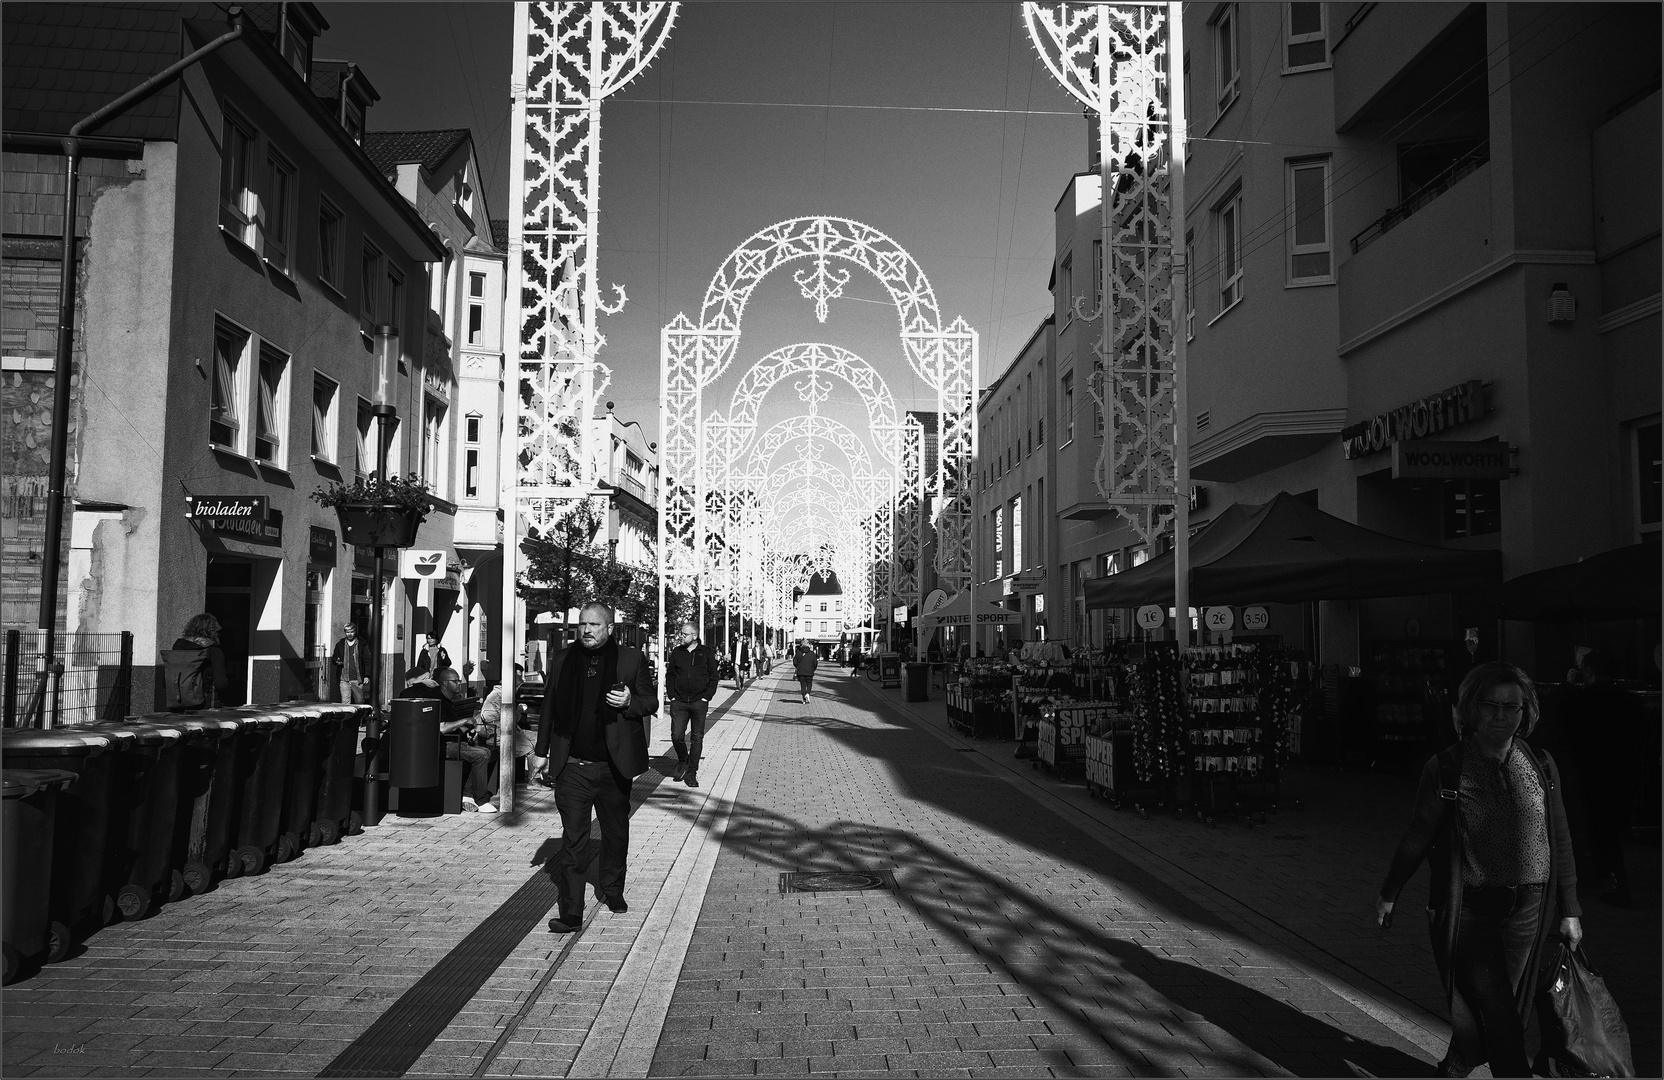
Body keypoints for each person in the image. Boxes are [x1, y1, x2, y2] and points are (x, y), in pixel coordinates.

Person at [1376, 661, 1582, 1078]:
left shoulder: (1540, 764)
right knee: (1497, 1005)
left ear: (1526, 713)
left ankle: (1453, 1066)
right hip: (1472, 907)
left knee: (1500, 1002)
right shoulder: (1447, 767)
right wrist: (1389, 893)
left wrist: (1570, 908)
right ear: (1470, 709)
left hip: (1530, 904)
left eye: (1512, 706)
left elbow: (1558, 835)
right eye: (1490, 705)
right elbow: (1417, 835)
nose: (1501, 715)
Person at [530, 602, 658, 933]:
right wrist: (541, 752)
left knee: (615, 833)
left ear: (609, 629)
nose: (587, 630)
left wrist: (630, 702)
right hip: (572, 765)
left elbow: (651, 701)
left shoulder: (630, 659)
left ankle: (612, 890)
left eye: (594, 625)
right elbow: (548, 709)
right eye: (583, 624)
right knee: (574, 838)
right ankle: (572, 910)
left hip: (613, 766)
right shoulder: (562, 659)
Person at [1561, 648, 1644, 907]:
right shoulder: (1631, 701)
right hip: (1626, 771)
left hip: (1592, 772)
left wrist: (1568, 686)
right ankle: (1611, 877)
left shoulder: (1583, 700)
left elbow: (1567, 728)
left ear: (1588, 671)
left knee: (1597, 828)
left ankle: (1614, 883)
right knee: (1614, 827)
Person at [403, 666, 496, 813]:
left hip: (450, 741)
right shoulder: (437, 700)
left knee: (484, 751)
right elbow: (442, 727)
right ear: (445, 683)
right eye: (455, 681)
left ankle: (467, 795)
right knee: (481, 755)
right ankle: (481, 800)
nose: (459, 684)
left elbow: (453, 724)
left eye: (459, 681)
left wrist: (468, 731)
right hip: (437, 744)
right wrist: (465, 721)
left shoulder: (448, 700)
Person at [665, 621, 720, 788]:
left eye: (684, 634)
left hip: (698, 701)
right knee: (677, 736)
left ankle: (691, 772)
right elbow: (671, 675)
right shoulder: (677, 652)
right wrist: (672, 695)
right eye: (681, 633)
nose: (681, 637)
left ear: (694, 636)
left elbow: (713, 676)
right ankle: (683, 760)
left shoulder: (706, 653)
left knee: (697, 738)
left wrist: (706, 697)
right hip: (679, 701)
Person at [163, 613, 231, 711]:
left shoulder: (178, 647)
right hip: (205, 708)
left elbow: (165, 681)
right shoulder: (214, 651)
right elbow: (221, 684)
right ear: (213, 631)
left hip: (178, 706)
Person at [331, 622, 371, 705]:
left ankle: (359, 718)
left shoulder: (362, 644)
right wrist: (336, 661)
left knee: (359, 702)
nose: (349, 634)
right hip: (344, 679)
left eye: (351, 632)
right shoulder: (340, 644)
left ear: (355, 631)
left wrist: (367, 675)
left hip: (357, 679)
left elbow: (367, 660)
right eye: (347, 632)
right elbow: (334, 658)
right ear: (345, 632)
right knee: (345, 702)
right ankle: (347, 718)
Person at [793, 640, 818, 704]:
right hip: (810, 672)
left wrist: (798, 667)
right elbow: (815, 663)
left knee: (803, 685)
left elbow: (794, 662)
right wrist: (813, 669)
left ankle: (804, 699)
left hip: (801, 672)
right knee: (809, 684)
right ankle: (808, 693)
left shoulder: (798, 653)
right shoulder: (812, 653)